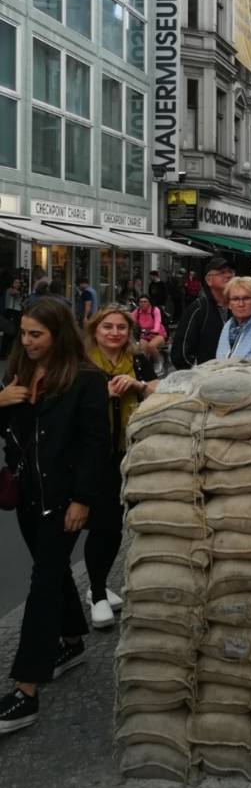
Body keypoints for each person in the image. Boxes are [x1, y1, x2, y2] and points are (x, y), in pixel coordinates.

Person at [0, 298, 109, 735]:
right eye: (23, 333)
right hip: (28, 495)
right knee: (52, 569)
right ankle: (72, 640)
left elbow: (94, 445)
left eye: (36, 335)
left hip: (64, 501)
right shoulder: (19, 373)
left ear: (58, 335)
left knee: (42, 584)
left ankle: (26, 691)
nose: (26, 342)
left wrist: (83, 500)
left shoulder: (86, 380)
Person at [83, 305, 158, 629]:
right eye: (107, 327)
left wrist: (138, 386)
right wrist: (103, 394)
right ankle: (97, 593)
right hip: (91, 452)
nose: (114, 333)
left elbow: (158, 388)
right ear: (95, 331)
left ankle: (98, 586)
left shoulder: (137, 360)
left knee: (114, 524)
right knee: (97, 525)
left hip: (127, 451)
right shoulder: (82, 365)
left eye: (121, 328)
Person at [170, 257, 233, 369]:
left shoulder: (236, 308)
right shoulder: (199, 308)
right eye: (222, 272)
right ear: (209, 280)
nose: (228, 276)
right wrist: (197, 373)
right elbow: (180, 353)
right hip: (204, 378)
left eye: (230, 272)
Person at [131, 295, 168, 369]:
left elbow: (158, 321)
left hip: (158, 334)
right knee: (141, 350)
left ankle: (158, 362)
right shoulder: (137, 311)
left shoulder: (155, 310)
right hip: (145, 334)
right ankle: (145, 367)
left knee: (151, 346)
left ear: (149, 303)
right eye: (141, 302)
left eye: (145, 302)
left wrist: (155, 330)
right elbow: (130, 320)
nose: (143, 303)